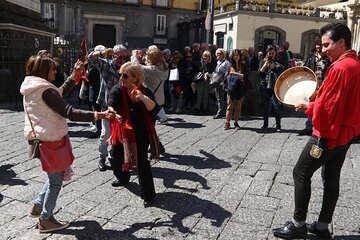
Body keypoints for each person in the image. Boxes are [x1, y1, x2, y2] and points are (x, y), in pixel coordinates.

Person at [272, 22, 360, 240]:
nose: (323, 49)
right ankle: (321, 226)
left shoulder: (340, 68)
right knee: (331, 177)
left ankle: (298, 224)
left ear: (342, 42)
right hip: (346, 134)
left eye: (327, 44)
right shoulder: (354, 64)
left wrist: (307, 106)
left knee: (300, 172)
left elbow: (329, 109)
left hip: (329, 134)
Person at [20, 55, 114, 233]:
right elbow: (69, 112)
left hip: (42, 137)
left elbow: (58, 93)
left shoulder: (35, 86)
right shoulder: (44, 90)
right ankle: (45, 220)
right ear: (44, 71)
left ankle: (38, 206)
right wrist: (99, 115)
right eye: (53, 69)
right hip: (49, 139)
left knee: (53, 177)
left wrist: (74, 76)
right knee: (56, 181)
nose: (55, 71)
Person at [107, 62, 160, 208]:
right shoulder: (118, 89)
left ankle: (149, 195)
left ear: (135, 79)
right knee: (116, 156)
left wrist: (142, 97)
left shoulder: (144, 91)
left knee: (142, 162)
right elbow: (111, 103)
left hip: (141, 132)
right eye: (120, 75)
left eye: (125, 76)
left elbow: (154, 109)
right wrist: (113, 112)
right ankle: (123, 178)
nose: (121, 78)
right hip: (122, 131)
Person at [88, 44, 127, 172]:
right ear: (114, 55)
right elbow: (90, 58)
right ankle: (102, 157)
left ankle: (113, 156)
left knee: (118, 134)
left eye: (124, 57)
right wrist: (101, 52)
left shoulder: (125, 68)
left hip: (120, 106)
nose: (122, 60)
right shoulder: (106, 65)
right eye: (120, 57)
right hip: (106, 105)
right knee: (106, 134)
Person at [298, 36, 330, 136]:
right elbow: (305, 69)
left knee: (320, 106)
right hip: (312, 86)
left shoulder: (328, 58)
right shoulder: (312, 57)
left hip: (323, 86)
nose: (318, 47)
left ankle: (319, 127)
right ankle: (308, 127)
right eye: (317, 44)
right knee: (310, 105)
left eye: (320, 44)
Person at [258, 45, 285, 132]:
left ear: (275, 53)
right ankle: (265, 124)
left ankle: (278, 125)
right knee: (265, 106)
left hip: (275, 86)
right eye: (269, 53)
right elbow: (260, 74)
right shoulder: (263, 61)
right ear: (267, 53)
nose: (271, 55)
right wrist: (264, 66)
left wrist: (275, 67)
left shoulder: (278, 61)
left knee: (276, 106)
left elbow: (283, 70)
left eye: (273, 53)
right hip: (265, 85)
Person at [223, 49, 247, 130]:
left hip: (240, 88)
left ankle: (236, 122)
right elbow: (229, 75)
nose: (235, 57)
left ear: (240, 56)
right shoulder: (230, 65)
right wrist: (239, 75)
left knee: (238, 107)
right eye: (234, 55)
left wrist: (238, 75)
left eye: (237, 55)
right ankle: (227, 122)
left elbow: (245, 76)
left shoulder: (243, 65)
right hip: (231, 88)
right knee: (230, 106)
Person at [212, 48, 230, 119]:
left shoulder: (226, 62)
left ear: (224, 54)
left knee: (222, 98)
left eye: (221, 53)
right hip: (217, 81)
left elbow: (227, 72)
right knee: (219, 98)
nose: (219, 55)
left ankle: (220, 112)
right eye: (218, 53)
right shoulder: (218, 62)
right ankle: (221, 111)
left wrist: (224, 80)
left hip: (223, 82)